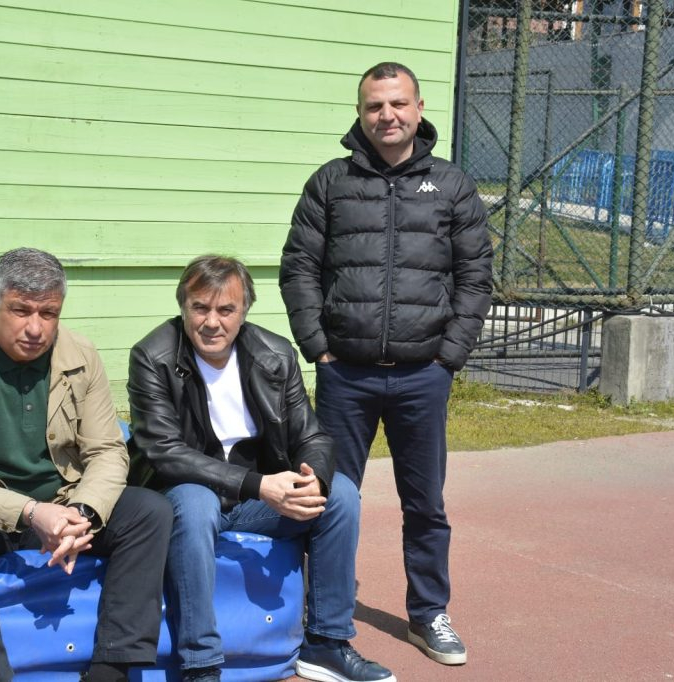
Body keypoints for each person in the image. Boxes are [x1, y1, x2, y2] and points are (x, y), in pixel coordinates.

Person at [279, 62, 494, 667]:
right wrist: (319, 347)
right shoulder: (331, 182)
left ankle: (429, 613)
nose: (387, 116)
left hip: (424, 375)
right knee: (327, 498)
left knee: (424, 503)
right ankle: (322, 617)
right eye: (375, 106)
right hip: (344, 375)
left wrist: (448, 357)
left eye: (398, 104)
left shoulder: (451, 185)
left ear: (419, 109)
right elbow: (299, 268)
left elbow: (476, 277)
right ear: (360, 112)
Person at [127, 255, 394, 682]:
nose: (212, 322)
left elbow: (313, 437)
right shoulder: (152, 355)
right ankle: (201, 664)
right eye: (200, 308)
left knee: (340, 493)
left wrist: (312, 480)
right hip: (183, 495)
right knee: (195, 503)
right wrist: (259, 485)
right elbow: (164, 452)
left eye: (226, 310)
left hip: (254, 501)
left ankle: (326, 643)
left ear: (244, 311)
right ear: (183, 307)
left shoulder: (275, 354)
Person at [0, 247, 172, 682]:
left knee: (150, 512)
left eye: (49, 314)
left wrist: (83, 513)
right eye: (21, 311)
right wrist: (31, 512)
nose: (35, 328)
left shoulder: (81, 355)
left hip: (64, 503)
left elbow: (108, 451)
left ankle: (112, 669)